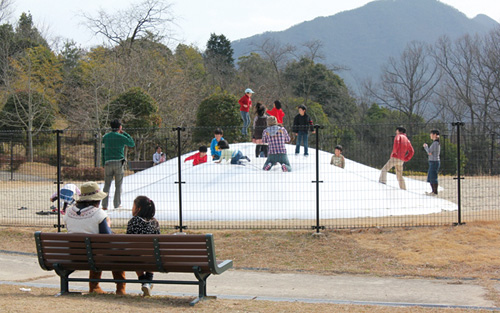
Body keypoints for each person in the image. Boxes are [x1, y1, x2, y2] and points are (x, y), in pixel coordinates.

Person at [64, 181, 126, 295]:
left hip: (74, 256)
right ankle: (120, 287)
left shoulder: (68, 212)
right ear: (96, 199)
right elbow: (108, 239)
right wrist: (108, 224)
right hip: (96, 257)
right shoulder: (98, 213)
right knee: (116, 252)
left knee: (94, 251)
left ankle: (94, 286)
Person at [126, 196, 160, 297]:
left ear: (139, 208)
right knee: (152, 253)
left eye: (133, 206)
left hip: (136, 257)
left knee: (135, 254)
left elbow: (128, 240)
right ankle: (148, 282)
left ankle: (144, 281)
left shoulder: (133, 221)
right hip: (152, 257)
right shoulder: (154, 222)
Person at [101, 119, 135, 210]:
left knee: (106, 185)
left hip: (108, 162)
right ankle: (117, 204)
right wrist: (124, 133)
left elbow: (103, 150)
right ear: (120, 127)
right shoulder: (121, 136)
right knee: (118, 185)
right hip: (118, 162)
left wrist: (103, 162)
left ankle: (104, 205)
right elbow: (132, 143)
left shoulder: (105, 137)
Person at [423, 129, 441, 196]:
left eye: (432, 134)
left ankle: (435, 192)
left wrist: (426, 147)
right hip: (433, 161)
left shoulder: (435, 143)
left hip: (434, 162)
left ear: (435, 135)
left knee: (433, 177)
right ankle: (433, 191)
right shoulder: (435, 143)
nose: (430, 135)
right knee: (431, 177)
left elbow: (429, 152)